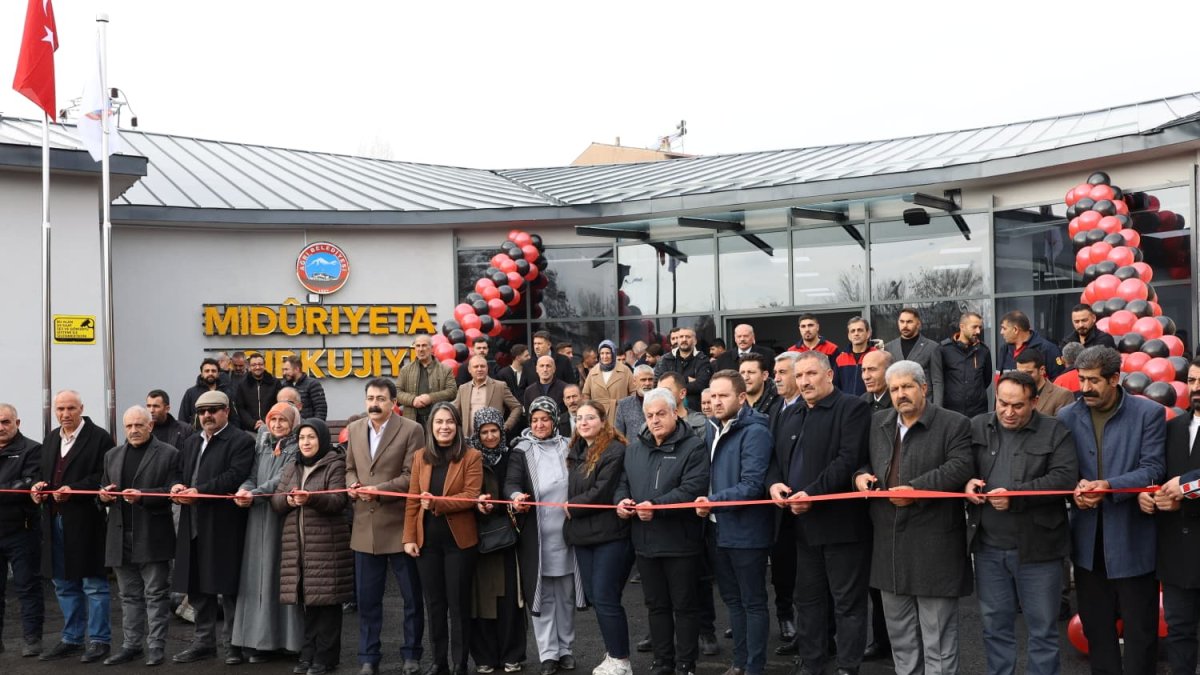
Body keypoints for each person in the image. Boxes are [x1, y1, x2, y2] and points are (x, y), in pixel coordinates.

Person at [853, 361, 973, 675]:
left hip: (934, 545)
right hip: (888, 545)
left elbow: (960, 466)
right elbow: (864, 462)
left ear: (924, 388)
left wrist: (916, 490)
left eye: (907, 386)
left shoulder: (954, 423)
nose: (900, 394)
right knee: (901, 637)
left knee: (938, 639)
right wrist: (861, 477)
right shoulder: (879, 422)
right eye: (894, 389)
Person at [1058, 346, 1164, 675]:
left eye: (1093, 381)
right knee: (1097, 632)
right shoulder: (1066, 417)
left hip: (1133, 540)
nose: (1085, 388)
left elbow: (1153, 469)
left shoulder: (1148, 414)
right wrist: (1075, 490)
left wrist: (1108, 486)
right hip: (1087, 544)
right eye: (1081, 379)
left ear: (1115, 378)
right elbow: (1063, 469)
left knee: (1140, 633)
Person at [964, 371, 1077, 675]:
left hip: (1040, 551)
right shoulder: (977, 426)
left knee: (1042, 631)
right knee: (995, 627)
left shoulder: (1055, 431)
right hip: (988, 548)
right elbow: (959, 465)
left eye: (1017, 406)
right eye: (1002, 404)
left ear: (1035, 402)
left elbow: (1064, 479)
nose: (1008, 412)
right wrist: (966, 482)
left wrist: (1016, 496)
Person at [767, 351, 872, 675]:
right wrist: (773, 485)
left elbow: (847, 459)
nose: (804, 381)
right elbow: (774, 459)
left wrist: (812, 493)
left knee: (847, 604)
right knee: (808, 601)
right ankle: (812, 663)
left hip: (841, 527)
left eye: (811, 374)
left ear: (829, 375)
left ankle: (847, 666)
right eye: (799, 376)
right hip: (800, 527)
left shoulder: (852, 408)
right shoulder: (789, 413)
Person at [616, 388, 710, 675]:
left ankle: (685, 663)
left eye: (660, 414)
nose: (654, 420)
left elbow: (692, 488)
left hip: (680, 540)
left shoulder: (693, 447)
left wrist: (655, 505)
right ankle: (662, 661)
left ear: (674, 412)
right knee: (655, 606)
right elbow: (623, 482)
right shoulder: (634, 448)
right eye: (649, 415)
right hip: (645, 541)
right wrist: (621, 501)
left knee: (684, 605)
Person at [345, 378, 426, 675]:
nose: (374, 403)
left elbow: (412, 476)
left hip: (401, 526)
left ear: (394, 402)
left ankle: (411, 654)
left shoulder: (412, 430)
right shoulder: (354, 429)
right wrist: (351, 485)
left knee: (411, 599)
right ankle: (368, 656)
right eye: (370, 398)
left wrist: (378, 489)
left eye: (380, 398)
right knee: (367, 600)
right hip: (365, 527)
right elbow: (349, 466)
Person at [169, 390, 255, 665]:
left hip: (223, 524)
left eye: (213, 410)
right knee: (196, 586)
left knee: (226, 587)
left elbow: (234, 476)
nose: (207, 415)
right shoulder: (192, 441)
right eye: (202, 411)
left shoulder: (241, 440)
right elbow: (179, 470)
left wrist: (200, 491)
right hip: (191, 522)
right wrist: (178, 485)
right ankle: (203, 642)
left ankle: (234, 644)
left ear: (226, 411)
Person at [698, 371, 774, 675]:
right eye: (712, 396)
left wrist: (712, 501)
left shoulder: (755, 432)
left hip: (747, 531)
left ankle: (754, 666)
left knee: (753, 602)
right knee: (732, 600)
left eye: (723, 396)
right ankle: (740, 662)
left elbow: (753, 485)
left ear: (742, 398)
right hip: (717, 528)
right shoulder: (711, 428)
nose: (716, 402)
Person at [31, 389, 114, 663]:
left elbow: (104, 477)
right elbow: (44, 473)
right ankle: (72, 638)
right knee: (63, 583)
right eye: (60, 409)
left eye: (70, 408)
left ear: (81, 408)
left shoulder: (99, 437)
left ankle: (100, 640)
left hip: (85, 520)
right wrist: (40, 487)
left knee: (93, 583)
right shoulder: (52, 438)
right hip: (54, 518)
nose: (65, 414)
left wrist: (74, 489)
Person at [506, 397, 586, 675]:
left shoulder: (569, 445)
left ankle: (566, 650)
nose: (540, 424)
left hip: (567, 535)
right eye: (535, 420)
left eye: (545, 419)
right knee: (542, 598)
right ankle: (548, 654)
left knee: (565, 595)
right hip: (537, 538)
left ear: (554, 420)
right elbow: (511, 483)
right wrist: (516, 497)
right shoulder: (521, 450)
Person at [97, 405, 181, 666]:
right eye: (129, 426)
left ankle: (156, 646)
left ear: (150, 426)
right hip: (120, 535)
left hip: (153, 534)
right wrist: (103, 496)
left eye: (138, 425)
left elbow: (171, 491)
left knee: (156, 594)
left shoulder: (169, 454)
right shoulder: (112, 455)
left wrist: (143, 497)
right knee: (128, 596)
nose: (133, 430)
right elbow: (101, 490)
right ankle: (131, 645)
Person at [404, 403, 483, 675]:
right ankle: (439, 662)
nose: (444, 427)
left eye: (449, 421)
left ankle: (460, 663)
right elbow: (413, 502)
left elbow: (471, 496)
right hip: (427, 544)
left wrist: (437, 503)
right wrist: (409, 537)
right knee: (434, 605)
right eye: (438, 422)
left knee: (458, 605)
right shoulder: (420, 457)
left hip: (459, 544)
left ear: (457, 426)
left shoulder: (471, 456)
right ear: (431, 427)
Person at [274, 417, 354, 675]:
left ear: (321, 439)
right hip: (298, 548)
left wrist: (310, 500)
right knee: (308, 605)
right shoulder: (292, 466)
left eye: (311, 437)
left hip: (327, 547)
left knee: (327, 605)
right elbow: (276, 500)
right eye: (302, 438)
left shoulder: (334, 464)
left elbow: (337, 501)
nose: (306, 443)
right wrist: (288, 499)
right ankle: (308, 655)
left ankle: (325, 658)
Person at [1140, 358, 1200, 675]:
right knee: (1180, 632)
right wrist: (1147, 495)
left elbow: (1183, 484)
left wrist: (1186, 489)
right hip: (1176, 552)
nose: (1196, 388)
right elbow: (1157, 474)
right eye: (1191, 381)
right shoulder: (1172, 427)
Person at [231, 402, 305, 660]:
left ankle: (287, 642)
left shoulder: (298, 448)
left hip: (281, 519)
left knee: (279, 578)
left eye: (282, 420)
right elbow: (251, 476)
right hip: (257, 518)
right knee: (256, 579)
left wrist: (254, 493)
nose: (276, 425)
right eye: (273, 420)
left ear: (293, 422)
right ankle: (258, 642)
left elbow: (282, 480)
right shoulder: (261, 445)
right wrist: (244, 489)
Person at [565, 401, 634, 675]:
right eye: (579, 418)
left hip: (610, 534)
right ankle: (613, 652)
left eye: (590, 417)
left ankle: (621, 660)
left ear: (603, 421)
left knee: (605, 596)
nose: (583, 422)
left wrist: (571, 506)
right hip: (583, 535)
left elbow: (602, 491)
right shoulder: (575, 450)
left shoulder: (615, 449)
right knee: (596, 595)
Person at [469, 408, 527, 675]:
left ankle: (511, 654)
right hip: (478, 537)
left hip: (506, 537)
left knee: (509, 599)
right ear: (477, 434)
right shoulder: (469, 458)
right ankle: (485, 656)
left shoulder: (512, 455)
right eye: (484, 431)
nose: (490, 436)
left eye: (494, 430)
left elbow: (517, 486)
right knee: (481, 600)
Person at [856, 349, 893, 660]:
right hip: (869, 502)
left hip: (900, 501)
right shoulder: (860, 406)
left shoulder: (900, 402)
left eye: (873, 369)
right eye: (863, 369)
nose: (866, 375)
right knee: (875, 580)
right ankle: (881, 639)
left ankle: (901, 641)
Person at [0, 403, 43, 658]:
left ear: (17, 423)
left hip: (22, 531)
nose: (1, 427)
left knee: (27, 587)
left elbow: (27, 485)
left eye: (6, 421)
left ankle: (32, 639)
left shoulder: (32, 449)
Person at [883, 308, 944, 407]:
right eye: (902, 322)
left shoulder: (932, 347)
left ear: (918, 324)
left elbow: (937, 381)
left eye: (909, 322)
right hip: (898, 405)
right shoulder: (889, 347)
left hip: (924, 405)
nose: (905, 325)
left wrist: (937, 408)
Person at [397, 334, 460, 427]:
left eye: (424, 345)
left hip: (437, 420)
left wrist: (430, 398)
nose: (420, 349)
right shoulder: (405, 370)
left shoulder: (445, 369)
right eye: (417, 346)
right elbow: (397, 392)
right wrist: (412, 400)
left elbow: (452, 391)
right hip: (412, 420)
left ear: (432, 348)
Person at [939, 311, 992, 419]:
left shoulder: (984, 351)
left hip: (978, 412)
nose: (978, 331)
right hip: (952, 413)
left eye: (980, 327)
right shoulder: (945, 350)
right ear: (962, 327)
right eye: (974, 327)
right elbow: (939, 381)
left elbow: (986, 379)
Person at [456, 355, 523, 435]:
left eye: (482, 366)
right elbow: (455, 410)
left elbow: (517, 407)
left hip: (492, 439)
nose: (479, 369)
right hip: (468, 440)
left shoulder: (500, 386)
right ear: (469, 370)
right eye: (476, 367)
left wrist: (506, 426)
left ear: (487, 368)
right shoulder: (463, 388)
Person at [654, 327, 712, 412]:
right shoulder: (666, 359)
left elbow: (702, 385)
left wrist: (674, 387)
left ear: (695, 341)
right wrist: (686, 379)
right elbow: (661, 383)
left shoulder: (702, 359)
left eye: (688, 337)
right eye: (681, 337)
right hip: (669, 409)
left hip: (695, 410)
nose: (684, 339)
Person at [996, 310, 1063, 379]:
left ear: (1015, 329)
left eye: (1004, 328)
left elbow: (1058, 380)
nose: (1001, 332)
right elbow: (999, 377)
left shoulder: (1048, 349)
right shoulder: (1004, 349)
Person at [582, 340, 637, 419]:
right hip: (598, 416)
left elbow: (634, 392)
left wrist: (628, 410)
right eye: (602, 353)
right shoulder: (593, 372)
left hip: (620, 414)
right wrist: (589, 413)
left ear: (613, 354)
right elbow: (585, 394)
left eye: (608, 353)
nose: (605, 356)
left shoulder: (625, 370)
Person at [178, 358, 238, 429]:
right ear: (202, 374)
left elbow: (234, 418)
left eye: (213, 371)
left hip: (223, 436)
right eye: (207, 371)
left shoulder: (226, 392)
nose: (210, 373)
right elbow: (182, 418)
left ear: (218, 374)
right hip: (198, 436)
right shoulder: (191, 393)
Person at [1014, 349, 1075, 416]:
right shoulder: (1013, 394)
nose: (1023, 377)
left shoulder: (1062, 395)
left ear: (1042, 370)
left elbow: (1061, 425)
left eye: (1028, 373)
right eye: (1019, 373)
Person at [236, 353, 281, 431]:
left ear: (264, 365)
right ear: (249, 367)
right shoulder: (242, 384)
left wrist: (265, 421)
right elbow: (240, 408)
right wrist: (252, 423)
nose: (257, 367)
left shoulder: (275, 383)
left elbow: (278, 405)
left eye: (260, 364)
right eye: (254, 365)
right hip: (249, 429)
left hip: (271, 426)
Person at [658, 372, 709, 440]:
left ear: (682, 393)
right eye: (658, 392)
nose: (661, 395)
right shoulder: (651, 425)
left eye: (666, 391)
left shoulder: (700, 424)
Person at [834, 316, 876, 396]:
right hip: (847, 406)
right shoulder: (840, 359)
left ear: (868, 333)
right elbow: (835, 387)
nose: (856, 333)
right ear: (849, 335)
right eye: (853, 331)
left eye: (860, 330)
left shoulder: (876, 355)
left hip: (870, 405)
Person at [614, 365, 656, 439]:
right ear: (634, 381)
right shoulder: (624, 405)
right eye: (643, 380)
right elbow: (618, 435)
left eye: (650, 379)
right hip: (632, 449)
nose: (647, 383)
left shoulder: (662, 402)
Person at [281, 355, 328, 420]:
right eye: (283, 370)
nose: (284, 373)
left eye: (286, 369)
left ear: (297, 369)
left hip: (308, 426)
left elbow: (320, 409)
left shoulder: (312, 384)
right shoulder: (284, 386)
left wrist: (313, 426)